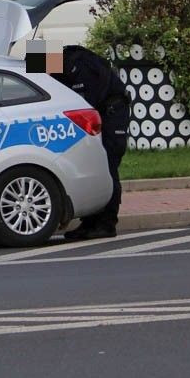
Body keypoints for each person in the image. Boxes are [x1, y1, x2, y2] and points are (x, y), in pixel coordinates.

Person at [60, 45, 129, 240]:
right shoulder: (62, 64)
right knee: (92, 166)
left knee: (107, 165)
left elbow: (84, 104)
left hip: (112, 114)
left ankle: (107, 224)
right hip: (100, 112)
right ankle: (90, 223)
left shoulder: (78, 68)